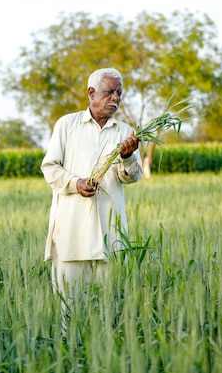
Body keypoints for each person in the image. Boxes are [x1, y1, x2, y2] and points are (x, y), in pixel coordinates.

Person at [40, 67, 142, 335]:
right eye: (110, 91)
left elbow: (132, 177)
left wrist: (127, 157)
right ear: (91, 92)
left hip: (111, 233)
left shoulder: (126, 132)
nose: (115, 98)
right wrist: (76, 183)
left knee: (111, 311)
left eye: (119, 92)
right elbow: (50, 169)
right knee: (69, 311)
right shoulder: (66, 125)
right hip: (72, 232)